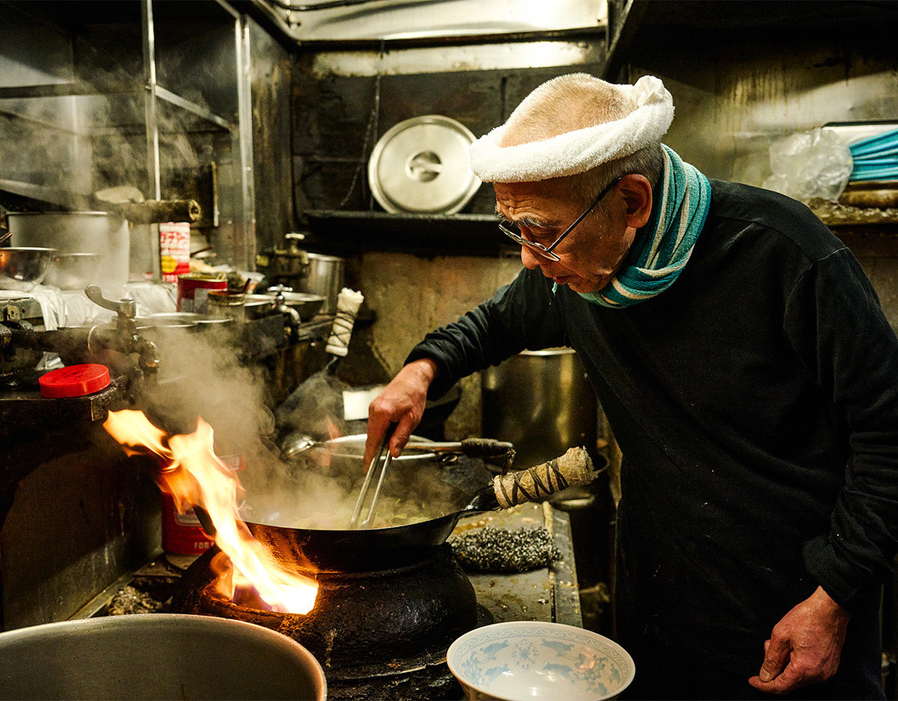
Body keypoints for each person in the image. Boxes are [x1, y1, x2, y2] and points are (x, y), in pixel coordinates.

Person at [363, 73, 898, 699]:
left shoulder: (784, 255)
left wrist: (834, 596)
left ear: (633, 202)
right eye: (515, 229)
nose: (530, 259)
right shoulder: (580, 268)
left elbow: (889, 434)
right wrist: (420, 371)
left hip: (792, 606)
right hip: (660, 590)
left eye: (540, 230)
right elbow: (493, 324)